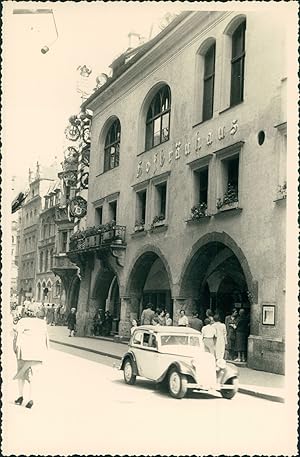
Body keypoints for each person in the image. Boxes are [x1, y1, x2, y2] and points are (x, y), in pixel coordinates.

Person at [13, 310, 49, 409]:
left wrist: (16, 350)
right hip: (38, 353)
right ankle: (31, 399)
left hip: (24, 353)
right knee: (34, 377)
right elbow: (46, 339)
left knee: (21, 374)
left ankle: (20, 397)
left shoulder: (22, 321)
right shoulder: (42, 323)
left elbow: (17, 336)